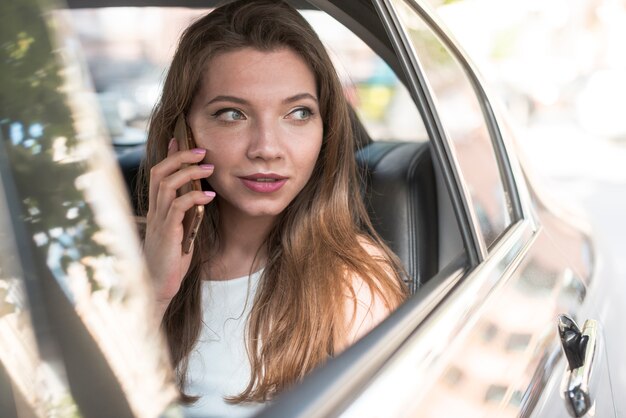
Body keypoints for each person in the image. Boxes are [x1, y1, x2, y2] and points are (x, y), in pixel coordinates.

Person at [137, 0, 408, 416]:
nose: (266, 148)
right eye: (232, 114)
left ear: (325, 127)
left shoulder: (351, 283)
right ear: (182, 131)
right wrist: (153, 293)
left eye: (298, 113)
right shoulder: (121, 257)